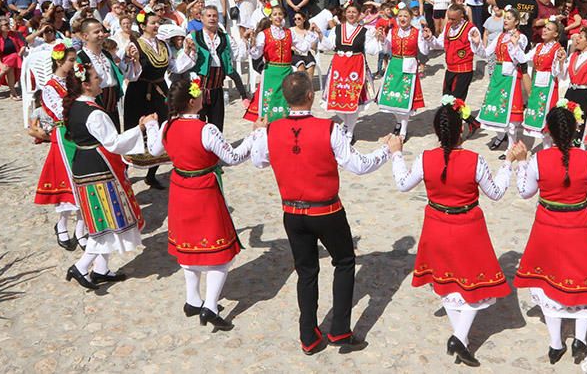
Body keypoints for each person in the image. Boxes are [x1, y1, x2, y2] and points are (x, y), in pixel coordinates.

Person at [252, 72, 400, 354]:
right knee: (344, 262)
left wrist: (261, 131)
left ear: (285, 99)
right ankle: (340, 331)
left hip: (292, 213)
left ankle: (308, 336)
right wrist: (386, 150)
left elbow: (259, 161)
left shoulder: (272, 131)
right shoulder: (328, 129)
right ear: (310, 96)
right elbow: (358, 165)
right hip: (326, 210)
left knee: (306, 271)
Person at [390, 99, 511, 366]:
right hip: (468, 228)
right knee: (476, 288)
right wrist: (508, 166)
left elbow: (402, 184)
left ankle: (461, 339)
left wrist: (397, 154)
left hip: (436, 225)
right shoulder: (474, 160)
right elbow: (496, 193)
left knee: (445, 281)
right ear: (461, 132)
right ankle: (459, 338)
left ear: (436, 131)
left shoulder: (425, 158)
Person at [150, 75, 266, 330]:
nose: (204, 96)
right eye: (200, 94)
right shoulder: (206, 129)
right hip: (203, 190)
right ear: (192, 102)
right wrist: (255, 136)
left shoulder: (167, 126)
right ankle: (210, 307)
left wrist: (150, 126)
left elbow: (155, 150)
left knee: (188, 246)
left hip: (180, 188)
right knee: (220, 253)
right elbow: (233, 157)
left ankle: (192, 299)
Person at [509, 105, 587, 364]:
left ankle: (556, 344)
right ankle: (579, 341)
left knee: (548, 282)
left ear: (550, 132)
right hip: (578, 224)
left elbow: (525, 192)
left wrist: (522, 162)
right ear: (576, 129)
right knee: (584, 280)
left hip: (547, 225)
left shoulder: (538, 160)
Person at [62, 62, 162, 290]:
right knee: (106, 221)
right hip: (97, 171)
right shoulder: (94, 113)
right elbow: (114, 143)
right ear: (86, 85)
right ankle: (81, 266)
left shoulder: (76, 106)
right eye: (97, 78)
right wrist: (142, 128)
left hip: (84, 166)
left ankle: (100, 270)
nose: (101, 81)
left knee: (105, 220)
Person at [124, 10, 196, 189]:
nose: (157, 25)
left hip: (159, 90)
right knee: (135, 130)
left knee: (163, 128)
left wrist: (186, 52)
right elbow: (131, 74)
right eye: (153, 23)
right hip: (139, 92)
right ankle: (123, 171)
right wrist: (132, 60)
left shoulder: (163, 45)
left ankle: (151, 174)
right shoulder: (134, 45)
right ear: (142, 26)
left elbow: (175, 67)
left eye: (158, 22)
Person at [33, 44, 88, 250]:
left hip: (81, 131)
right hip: (65, 135)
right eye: (71, 60)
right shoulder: (50, 87)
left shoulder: (75, 81)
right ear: (58, 61)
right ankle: (62, 223)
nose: (74, 64)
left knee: (84, 180)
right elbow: (60, 111)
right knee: (68, 181)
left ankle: (81, 228)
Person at [178, 6, 249, 131]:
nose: (212, 18)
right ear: (202, 18)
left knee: (216, 123)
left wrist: (244, 39)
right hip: (197, 86)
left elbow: (239, 55)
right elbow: (183, 65)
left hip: (216, 86)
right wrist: (189, 51)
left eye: (214, 16)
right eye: (209, 15)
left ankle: (215, 149)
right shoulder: (192, 37)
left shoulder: (225, 37)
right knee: (197, 123)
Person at [317, 2, 381, 142]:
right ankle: (347, 125)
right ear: (345, 14)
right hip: (338, 68)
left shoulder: (365, 31)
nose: (351, 15)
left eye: (354, 12)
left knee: (353, 100)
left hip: (356, 68)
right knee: (338, 99)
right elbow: (330, 46)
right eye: (349, 12)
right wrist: (321, 36)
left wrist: (377, 38)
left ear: (359, 15)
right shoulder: (337, 29)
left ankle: (350, 132)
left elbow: (372, 50)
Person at [475, 9, 528, 156]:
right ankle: (500, 136)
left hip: (511, 77)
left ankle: (511, 146)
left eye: (509, 18)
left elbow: (521, 59)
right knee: (497, 107)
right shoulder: (500, 36)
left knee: (510, 112)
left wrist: (514, 45)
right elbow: (486, 53)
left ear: (516, 21)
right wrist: (477, 43)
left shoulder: (521, 37)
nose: (505, 21)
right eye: (505, 18)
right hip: (498, 75)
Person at [425, 4, 484, 135]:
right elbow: (439, 44)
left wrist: (476, 42)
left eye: (453, 19)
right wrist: (430, 38)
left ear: (461, 16)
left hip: (463, 71)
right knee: (446, 100)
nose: (450, 22)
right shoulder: (448, 27)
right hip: (450, 69)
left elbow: (481, 52)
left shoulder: (471, 29)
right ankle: (472, 122)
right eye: (449, 18)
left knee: (455, 103)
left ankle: (456, 131)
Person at [376, 7, 431, 140]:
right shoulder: (393, 32)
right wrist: (382, 39)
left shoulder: (416, 32)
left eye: (406, 16)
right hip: (394, 65)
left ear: (411, 18)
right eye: (400, 16)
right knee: (393, 98)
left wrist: (426, 39)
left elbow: (424, 51)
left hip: (409, 67)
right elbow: (386, 48)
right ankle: (399, 122)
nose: (402, 19)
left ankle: (403, 130)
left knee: (405, 99)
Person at [77, 18, 140, 130]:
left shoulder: (107, 54)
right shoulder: (80, 58)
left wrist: (132, 60)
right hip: (95, 104)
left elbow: (124, 73)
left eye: (102, 31)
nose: (101, 34)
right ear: (85, 36)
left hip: (112, 103)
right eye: (96, 32)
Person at [510, 19, 564, 144]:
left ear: (555, 34)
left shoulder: (557, 49)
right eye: (544, 27)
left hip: (549, 85)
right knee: (535, 111)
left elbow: (557, 72)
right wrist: (515, 44)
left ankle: (548, 148)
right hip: (537, 83)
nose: (544, 30)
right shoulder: (539, 46)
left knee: (546, 116)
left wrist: (559, 62)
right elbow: (523, 58)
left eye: (549, 29)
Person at [244, 8, 294, 123]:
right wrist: (252, 44)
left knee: (285, 98)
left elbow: (303, 47)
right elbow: (256, 55)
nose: (278, 17)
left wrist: (313, 34)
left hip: (286, 71)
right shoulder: (264, 34)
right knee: (269, 99)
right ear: (270, 18)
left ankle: (284, 123)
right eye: (275, 14)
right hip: (271, 71)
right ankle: (267, 124)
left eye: (280, 14)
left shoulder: (289, 32)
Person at [556, 26, 587, 147]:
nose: (577, 39)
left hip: (584, 94)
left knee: (579, 124)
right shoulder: (573, 56)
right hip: (570, 92)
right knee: (565, 122)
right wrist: (561, 62)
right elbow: (563, 76)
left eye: (580, 37)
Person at [0, 17, 26, 99]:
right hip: (0, 60)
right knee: (12, 64)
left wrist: (19, 54)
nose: (8, 26)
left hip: (13, 59)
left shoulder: (13, 34)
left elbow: (22, 46)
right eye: (6, 24)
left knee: (13, 58)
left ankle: (1, 76)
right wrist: (1, 65)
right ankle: (13, 93)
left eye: (8, 24)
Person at [289, 11, 320, 78]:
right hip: (294, 53)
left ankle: (308, 85)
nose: (297, 20)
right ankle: (300, 85)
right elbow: (288, 43)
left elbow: (313, 47)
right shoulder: (291, 30)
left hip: (306, 53)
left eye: (299, 18)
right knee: (301, 65)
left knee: (311, 65)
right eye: (295, 19)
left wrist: (313, 32)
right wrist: (292, 47)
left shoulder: (308, 32)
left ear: (304, 19)